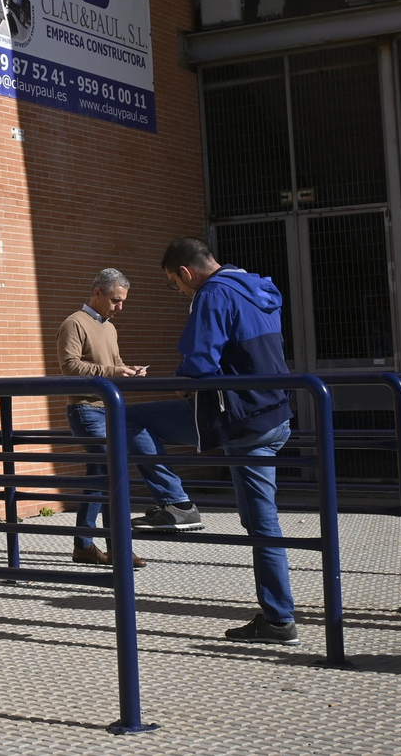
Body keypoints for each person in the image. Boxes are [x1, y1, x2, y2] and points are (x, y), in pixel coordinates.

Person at [122, 238, 300, 645]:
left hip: (244, 420)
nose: (180, 292)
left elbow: (200, 362)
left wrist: (184, 377)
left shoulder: (213, 294)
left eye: (175, 284)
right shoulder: (256, 287)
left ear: (185, 273)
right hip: (275, 413)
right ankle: (276, 615)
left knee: (130, 416)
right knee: (260, 520)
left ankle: (177, 504)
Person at [57, 268, 193, 569]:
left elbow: (114, 365)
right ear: (97, 293)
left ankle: (84, 545)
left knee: (100, 477)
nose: (120, 307)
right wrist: (114, 372)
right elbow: (70, 368)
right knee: (112, 474)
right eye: (115, 301)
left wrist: (129, 371)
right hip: (86, 409)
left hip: (108, 408)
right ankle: (117, 547)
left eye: (123, 301)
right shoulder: (74, 323)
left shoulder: (110, 328)